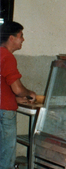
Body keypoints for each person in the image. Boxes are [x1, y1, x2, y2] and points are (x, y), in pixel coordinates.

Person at [0, 21, 36, 169]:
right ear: (11, 38)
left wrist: (12, 98)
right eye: (21, 35)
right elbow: (17, 88)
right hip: (5, 113)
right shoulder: (7, 57)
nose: (23, 39)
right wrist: (29, 93)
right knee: (6, 157)